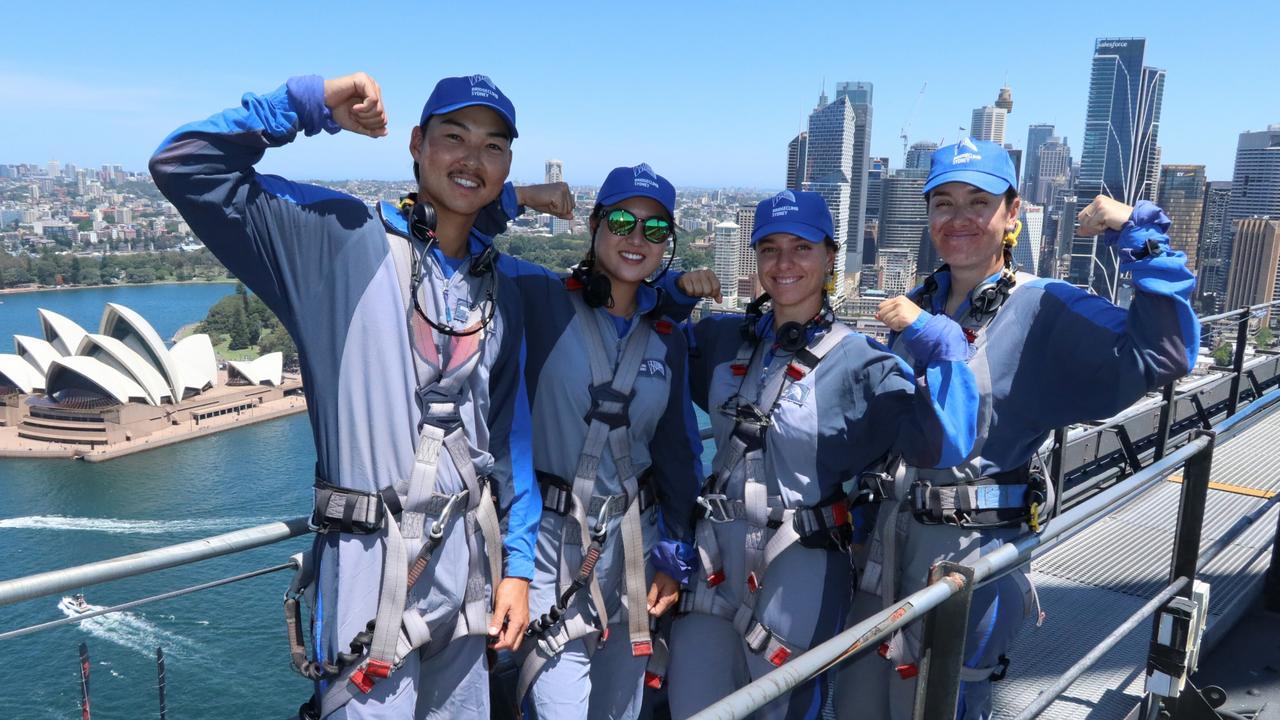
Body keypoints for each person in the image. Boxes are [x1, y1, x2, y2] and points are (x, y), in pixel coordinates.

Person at [150, 72, 541, 719]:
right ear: (416, 144)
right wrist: (307, 106)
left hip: (469, 576)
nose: (473, 157)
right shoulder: (339, 242)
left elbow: (509, 444)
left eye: (493, 146)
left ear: (506, 166)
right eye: (454, 136)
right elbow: (185, 166)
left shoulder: (498, 289)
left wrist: (519, 569)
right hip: (368, 573)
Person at [836, 138, 1199, 720]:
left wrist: (1137, 232)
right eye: (943, 203)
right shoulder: (922, 301)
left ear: (1012, 213)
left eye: (978, 202)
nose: (958, 219)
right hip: (889, 533)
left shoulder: (1043, 305)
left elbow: (1164, 353)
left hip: (970, 547)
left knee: (944, 704)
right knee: (859, 702)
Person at [664, 190, 980, 719]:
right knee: (693, 707)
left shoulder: (861, 363)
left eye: (801, 248)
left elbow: (942, 443)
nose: (784, 263)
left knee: (782, 709)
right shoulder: (722, 340)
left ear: (830, 257)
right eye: (769, 249)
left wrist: (944, 348)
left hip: (800, 560)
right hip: (713, 560)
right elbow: (652, 347)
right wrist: (675, 297)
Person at [488, 164, 703, 719]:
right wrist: (521, 197)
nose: (637, 239)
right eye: (624, 222)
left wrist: (674, 551)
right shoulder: (540, 299)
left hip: (633, 549)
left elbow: (679, 452)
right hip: (547, 547)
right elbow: (458, 237)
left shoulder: (667, 337)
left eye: (655, 231)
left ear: (668, 246)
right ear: (594, 224)